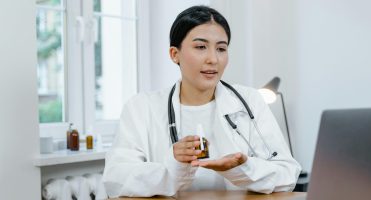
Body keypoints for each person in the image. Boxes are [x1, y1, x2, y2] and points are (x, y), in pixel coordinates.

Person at [102, 5, 301, 198]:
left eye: (221, 49)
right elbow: (116, 180)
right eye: (200, 47)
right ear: (174, 54)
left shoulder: (249, 101)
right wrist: (175, 165)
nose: (213, 59)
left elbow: (287, 174)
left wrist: (242, 168)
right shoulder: (141, 108)